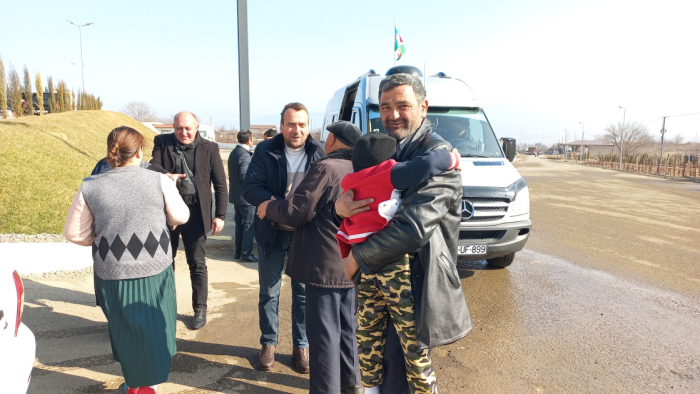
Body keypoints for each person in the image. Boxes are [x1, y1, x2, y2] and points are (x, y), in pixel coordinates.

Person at [336, 73, 472, 394]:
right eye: (385, 107)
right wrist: (339, 208)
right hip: (380, 284)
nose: (392, 115)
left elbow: (411, 229)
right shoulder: (385, 149)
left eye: (402, 105)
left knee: (402, 375)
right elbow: (362, 198)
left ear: (423, 107)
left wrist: (357, 256)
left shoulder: (437, 157)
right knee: (377, 365)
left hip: (415, 286)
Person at [64, 127, 190, 394]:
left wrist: (103, 242)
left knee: (125, 329)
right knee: (156, 326)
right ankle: (148, 386)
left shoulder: (91, 185)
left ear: (111, 150)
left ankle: (134, 384)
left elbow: (74, 232)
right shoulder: (158, 181)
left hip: (111, 270)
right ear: (140, 150)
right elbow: (180, 217)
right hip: (155, 267)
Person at [256, 121, 363, 393]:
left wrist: (269, 207)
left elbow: (297, 211)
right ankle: (352, 385)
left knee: (324, 336)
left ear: (332, 141)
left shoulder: (325, 168)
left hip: (323, 265)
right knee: (348, 332)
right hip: (351, 263)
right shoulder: (360, 168)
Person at [242, 102, 324, 374]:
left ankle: (302, 346)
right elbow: (251, 189)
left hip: (306, 235)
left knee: (302, 294)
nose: (296, 129)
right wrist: (280, 207)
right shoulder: (267, 150)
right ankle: (268, 344)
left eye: (302, 124)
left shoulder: (320, 152)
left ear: (308, 126)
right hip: (272, 233)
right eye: (291, 124)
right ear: (281, 127)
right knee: (269, 292)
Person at [150, 111, 228, 330]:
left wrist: (220, 215)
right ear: (173, 128)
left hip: (196, 213)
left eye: (188, 128)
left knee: (197, 263)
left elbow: (220, 184)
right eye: (179, 128)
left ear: (196, 128)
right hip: (168, 213)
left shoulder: (210, 148)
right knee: (166, 262)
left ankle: (199, 309)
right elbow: (152, 165)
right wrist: (167, 174)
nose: (183, 133)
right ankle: (165, 308)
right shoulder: (162, 142)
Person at [227, 130, 257, 262]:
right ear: (249, 140)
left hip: (236, 196)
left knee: (240, 224)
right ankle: (246, 253)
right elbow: (244, 175)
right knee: (249, 224)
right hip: (246, 198)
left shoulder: (235, 152)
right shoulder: (244, 155)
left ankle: (238, 251)